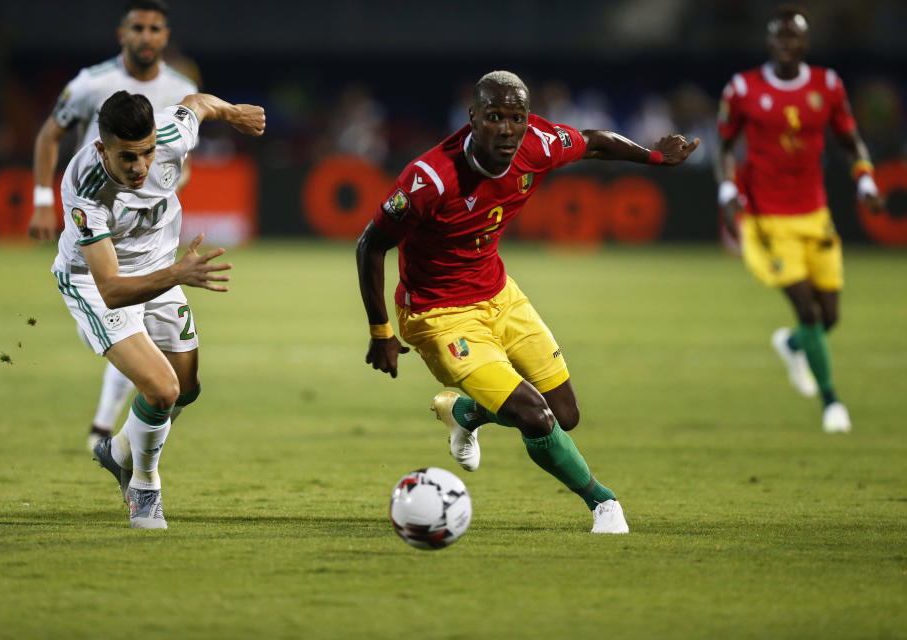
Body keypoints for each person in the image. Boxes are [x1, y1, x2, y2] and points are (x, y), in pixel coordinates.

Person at [356, 70, 699, 534]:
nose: (507, 129)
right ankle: (603, 503)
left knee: (565, 415)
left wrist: (656, 157)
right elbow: (370, 245)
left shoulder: (538, 141)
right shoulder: (430, 179)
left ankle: (462, 413)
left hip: (500, 294)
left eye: (516, 118)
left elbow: (595, 141)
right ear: (473, 117)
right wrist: (381, 332)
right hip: (440, 316)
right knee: (535, 417)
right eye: (495, 117)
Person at [53, 90, 264, 528]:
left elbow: (198, 103)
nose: (141, 167)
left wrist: (233, 113)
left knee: (186, 390)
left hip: (161, 268)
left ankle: (120, 451)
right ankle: (143, 488)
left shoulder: (171, 135)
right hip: (94, 283)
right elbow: (111, 288)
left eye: (147, 153)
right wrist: (179, 274)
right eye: (128, 157)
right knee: (162, 391)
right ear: (102, 149)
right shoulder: (85, 186)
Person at [29, 0, 198, 451]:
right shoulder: (91, 83)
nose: (146, 36)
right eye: (137, 27)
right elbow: (50, 134)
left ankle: (114, 440)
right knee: (127, 324)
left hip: (146, 229)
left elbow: (185, 145)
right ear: (122, 35)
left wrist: (168, 182)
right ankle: (108, 432)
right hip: (99, 219)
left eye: (155, 28)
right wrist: (44, 200)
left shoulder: (181, 87)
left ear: (165, 36)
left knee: (175, 376)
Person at [714, 5, 884, 434]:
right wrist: (728, 190)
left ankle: (790, 345)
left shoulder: (827, 86)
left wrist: (864, 179)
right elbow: (722, 145)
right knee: (808, 311)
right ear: (770, 42)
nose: (787, 44)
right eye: (780, 37)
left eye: (795, 38)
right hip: (767, 219)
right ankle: (832, 402)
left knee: (829, 316)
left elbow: (849, 140)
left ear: (805, 44)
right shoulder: (743, 88)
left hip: (815, 213)